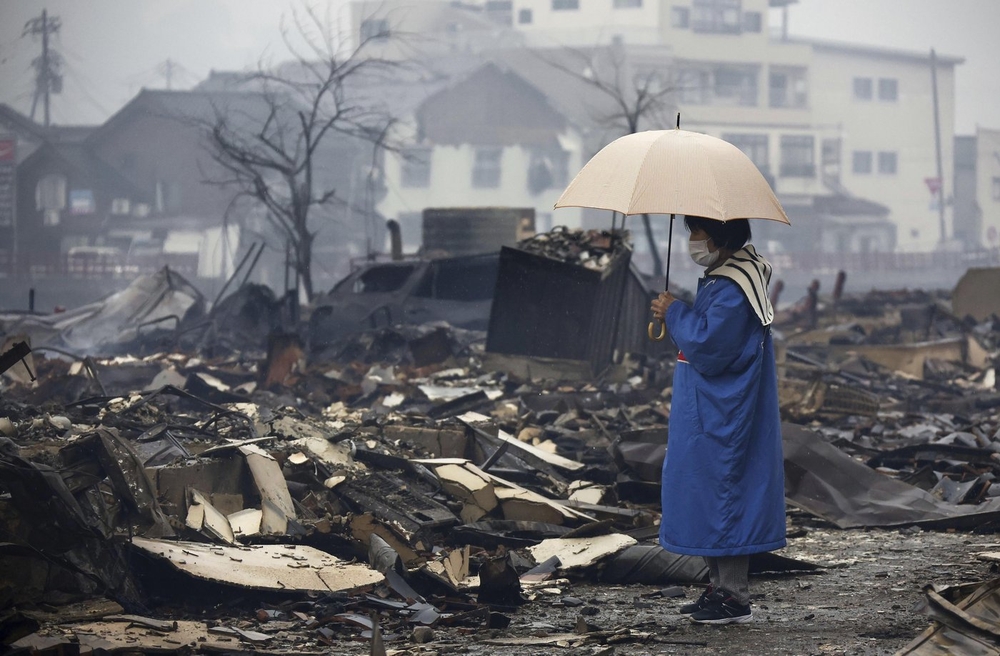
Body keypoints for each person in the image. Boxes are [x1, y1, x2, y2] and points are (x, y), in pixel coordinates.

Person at [649, 215, 785, 625]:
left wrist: (674, 313)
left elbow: (709, 346)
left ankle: (733, 597)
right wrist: (677, 314)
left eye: (697, 231)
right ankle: (718, 588)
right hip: (709, 407)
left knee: (724, 494)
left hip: (722, 412)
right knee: (708, 494)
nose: (692, 240)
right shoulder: (726, 276)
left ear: (720, 237)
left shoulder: (731, 287)